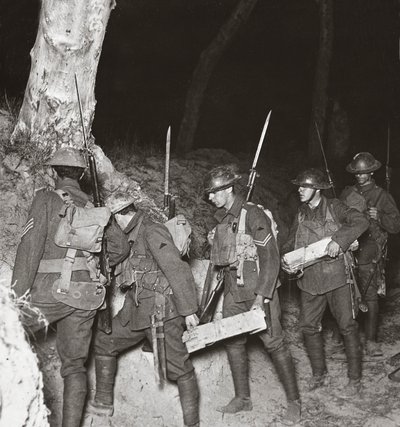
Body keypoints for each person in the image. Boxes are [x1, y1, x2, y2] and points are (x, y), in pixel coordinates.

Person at [11, 147, 129, 427]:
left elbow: (29, 249)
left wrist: (14, 299)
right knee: (74, 366)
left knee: (8, 335)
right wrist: (98, 268)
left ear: (53, 172)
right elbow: (121, 248)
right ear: (81, 175)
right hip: (87, 295)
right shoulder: (95, 207)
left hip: (50, 292)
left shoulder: (46, 198)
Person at [87, 193, 201, 427]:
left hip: (161, 312)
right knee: (104, 342)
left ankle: (192, 423)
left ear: (119, 215)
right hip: (136, 311)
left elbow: (177, 269)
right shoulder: (131, 235)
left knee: (178, 367)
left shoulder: (151, 230)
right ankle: (103, 403)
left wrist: (189, 310)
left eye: (111, 220)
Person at [202, 166, 301, 425]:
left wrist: (262, 297)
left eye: (213, 193)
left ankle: (294, 402)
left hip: (258, 291)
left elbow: (271, 258)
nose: (210, 198)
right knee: (233, 342)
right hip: (234, 292)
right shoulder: (222, 218)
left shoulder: (253, 214)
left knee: (274, 344)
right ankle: (242, 398)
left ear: (227, 189)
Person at [282, 168, 369, 398]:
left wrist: (340, 241)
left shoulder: (335, 207)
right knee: (308, 327)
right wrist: (286, 260)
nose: (299, 190)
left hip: (337, 277)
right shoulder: (300, 213)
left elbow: (361, 221)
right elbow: (291, 241)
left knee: (347, 326)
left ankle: (355, 379)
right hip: (309, 280)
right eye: (299, 186)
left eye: (305, 186)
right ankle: (319, 375)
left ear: (318, 189)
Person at [341, 152, 400, 357]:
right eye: (357, 173)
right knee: (347, 294)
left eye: (364, 172)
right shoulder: (348, 193)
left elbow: (395, 226)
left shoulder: (381, 195)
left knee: (369, 295)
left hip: (370, 248)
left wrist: (380, 216)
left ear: (372, 172)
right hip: (349, 248)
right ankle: (349, 338)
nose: (360, 176)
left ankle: (372, 340)